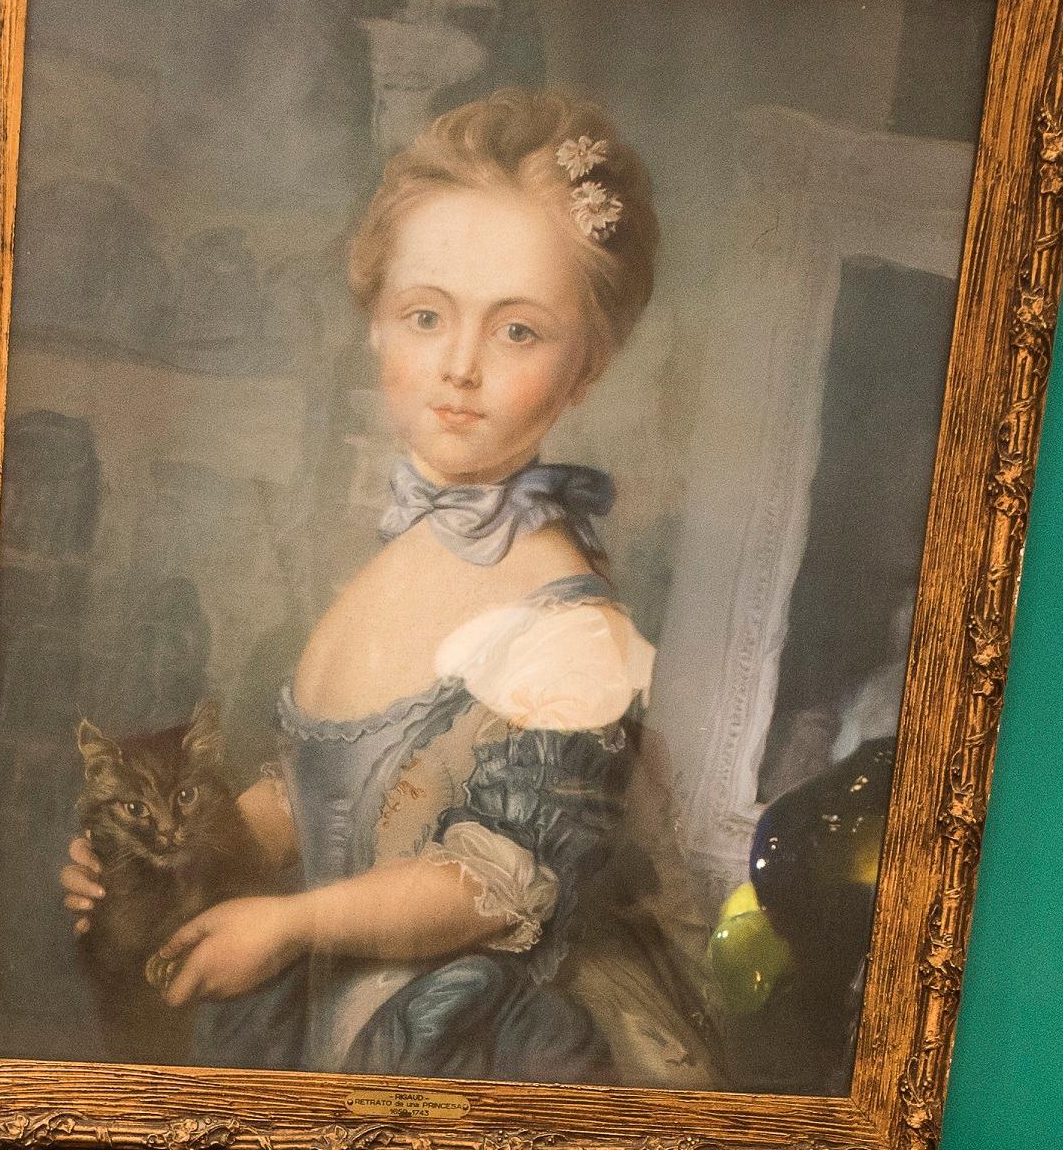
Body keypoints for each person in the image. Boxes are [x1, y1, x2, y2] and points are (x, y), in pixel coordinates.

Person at [61, 87, 712, 1084]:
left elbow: (495, 881)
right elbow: (325, 787)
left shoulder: (573, 627)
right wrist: (165, 858)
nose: (458, 366)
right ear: (374, 323)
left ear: (589, 365)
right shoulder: (396, 559)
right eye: (425, 315)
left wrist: (292, 924)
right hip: (328, 1002)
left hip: (466, 1040)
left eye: (519, 333)